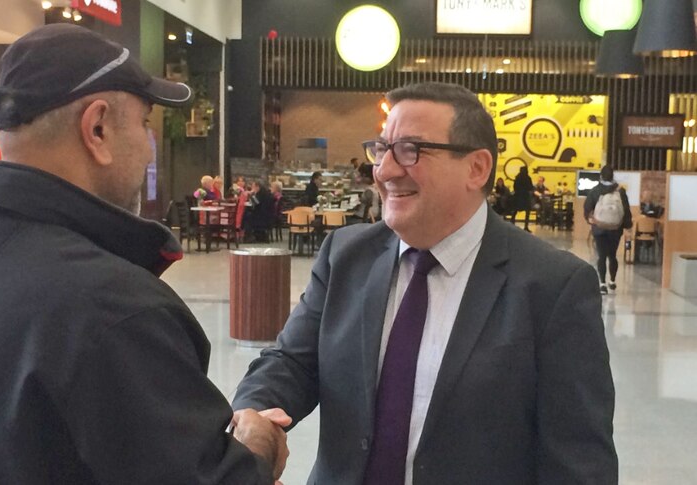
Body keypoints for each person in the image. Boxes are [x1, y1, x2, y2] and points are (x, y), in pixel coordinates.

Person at [0, 24, 287, 485]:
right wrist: (259, 442)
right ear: (97, 127)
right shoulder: (114, 308)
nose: (149, 151)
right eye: (145, 123)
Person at [233, 82, 617, 484]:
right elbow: (291, 361)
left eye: (411, 150)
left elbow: (579, 461)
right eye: (382, 149)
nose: (384, 170)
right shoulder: (346, 255)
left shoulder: (553, 286)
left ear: (477, 168)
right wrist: (257, 415)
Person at [584, 165, 633, 295]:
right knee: (612, 255)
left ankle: (602, 284)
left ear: (601, 176)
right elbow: (626, 210)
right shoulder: (620, 191)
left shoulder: (595, 191)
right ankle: (612, 280)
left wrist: (589, 219)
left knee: (601, 256)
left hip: (599, 228)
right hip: (615, 229)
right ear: (613, 176)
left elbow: (587, 208)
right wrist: (628, 226)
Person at [511, 165, 533, 231]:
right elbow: (530, 187)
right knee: (527, 211)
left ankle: (512, 223)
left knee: (515, 211)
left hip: (518, 196)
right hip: (525, 196)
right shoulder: (528, 178)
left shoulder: (517, 177)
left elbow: (514, 187)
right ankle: (526, 226)